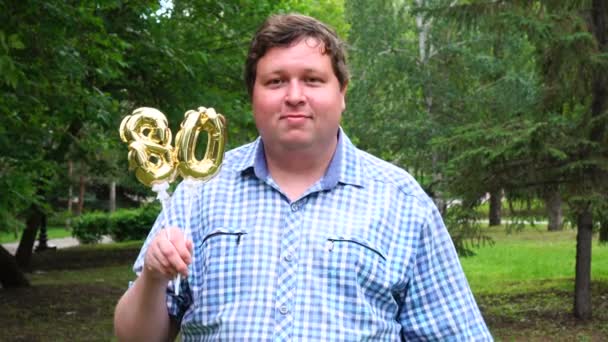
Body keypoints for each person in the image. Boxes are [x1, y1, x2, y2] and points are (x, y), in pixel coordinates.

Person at [114, 13, 492, 341]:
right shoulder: (199, 192)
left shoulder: (402, 202)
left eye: (312, 80)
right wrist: (152, 275)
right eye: (276, 81)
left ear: (342, 92)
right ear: (253, 95)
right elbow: (135, 337)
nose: (294, 95)